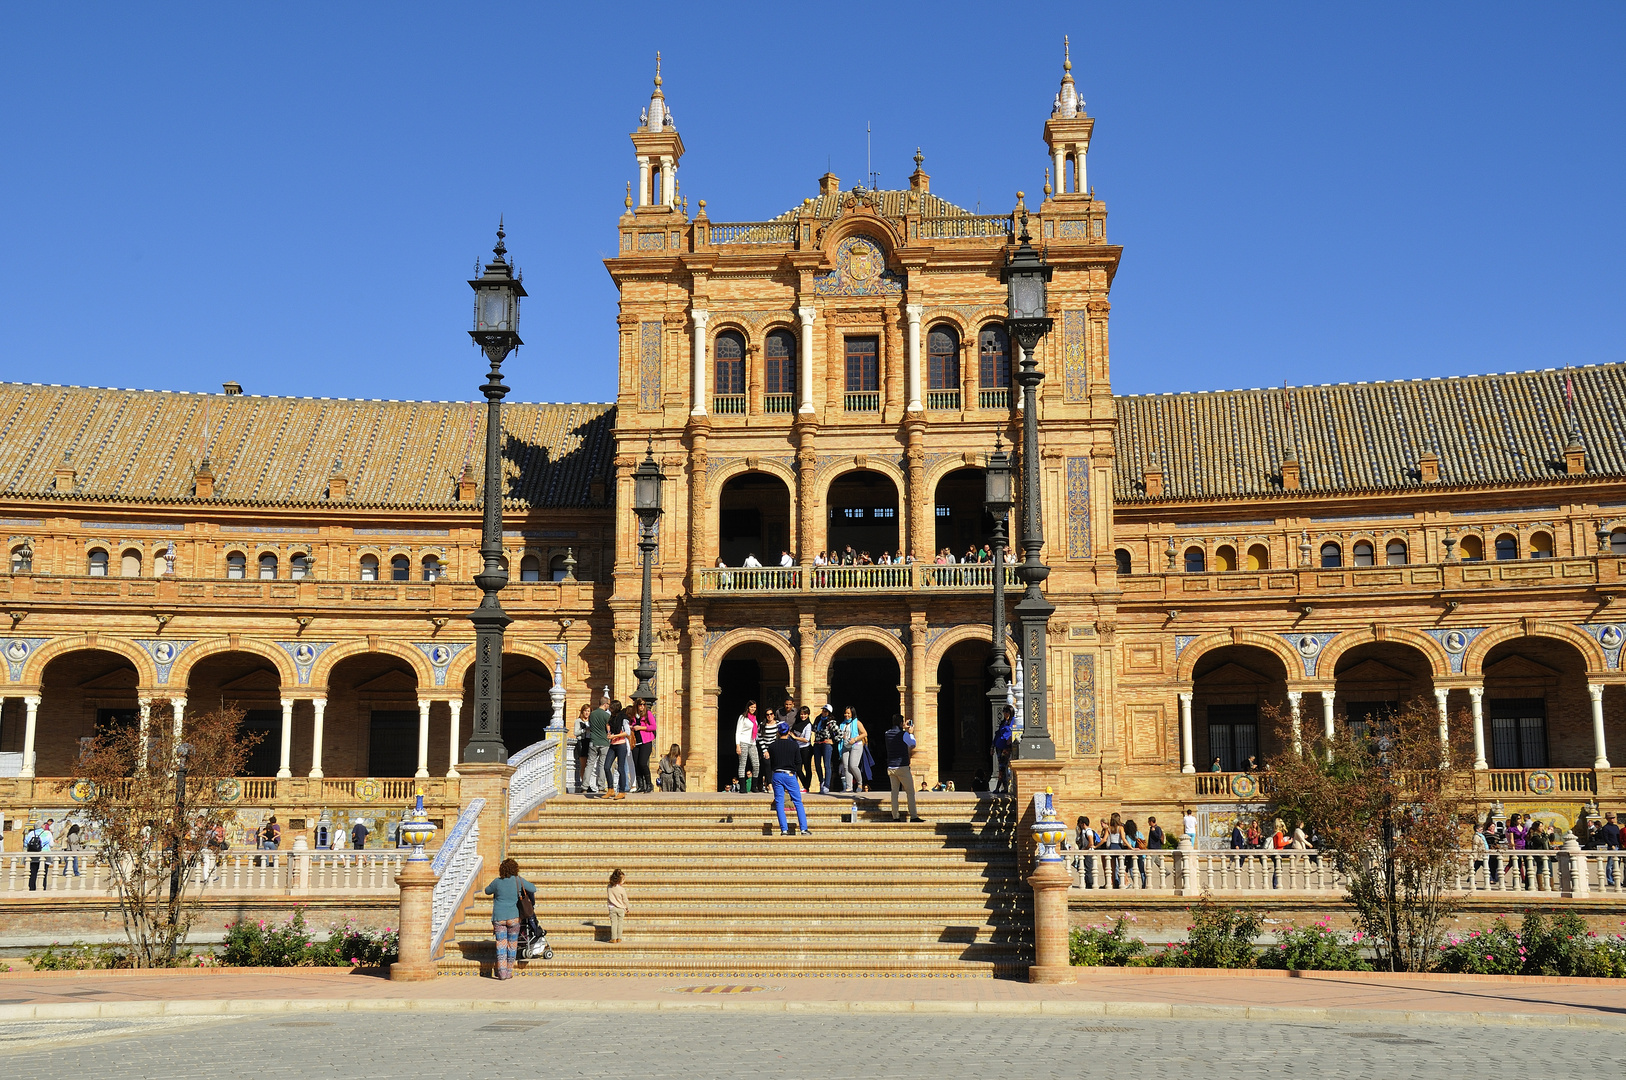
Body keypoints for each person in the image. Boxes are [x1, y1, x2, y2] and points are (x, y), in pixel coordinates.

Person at [483, 857, 535, 979]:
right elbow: (533, 888)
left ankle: (501, 973)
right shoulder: (517, 880)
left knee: (501, 944)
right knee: (512, 944)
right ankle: (509, 971)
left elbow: (486, 891)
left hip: (499, 917)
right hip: (514, 917)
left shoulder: (497, 882)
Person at [767, 723, 810, 836]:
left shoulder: (772, 746)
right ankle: (803, 829)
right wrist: (794, 771)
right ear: (788, 732)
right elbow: (799, 762)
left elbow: (771, 763)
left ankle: (784, 830)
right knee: (797, 802)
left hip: (777, 774)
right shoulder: (794, 745)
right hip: (790, 774)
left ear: (778, 732)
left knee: (779, 802)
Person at [883, 714, 922, 822]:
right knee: (910, 791)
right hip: (902, 766)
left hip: (891, 766)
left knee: (894, 792)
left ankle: (895, 816)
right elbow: (913, 744)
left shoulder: (887, 733)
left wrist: (903, 728)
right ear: (901, 723)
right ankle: (913, 816)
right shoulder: (904, 735)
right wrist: (910, 733)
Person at [584, 695, 612, 798]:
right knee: (602, 765)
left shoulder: (592, 714)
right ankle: (601, 786)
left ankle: (585, 786)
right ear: (605, 704)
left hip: (593, 741)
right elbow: (608, 728)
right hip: (604, 742)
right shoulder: (606, 716)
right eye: (608, 704)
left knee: (590, 764)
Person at [606, 701, 633, 798]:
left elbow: (627, 732)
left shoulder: (623, 718)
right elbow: (608, 724)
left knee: (621, 768)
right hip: (613, 744)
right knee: (606, 766)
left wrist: (615, 735)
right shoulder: (612, 718)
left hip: (621, 745)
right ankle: (610, 789)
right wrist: (609, 732)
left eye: (611, 708)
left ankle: (622, 791)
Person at [838, 707, 867, 795]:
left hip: (856, 745)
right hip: (845, 746)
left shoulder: (857, 723)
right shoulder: (842, 724)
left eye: (848, 713)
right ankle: (849, 787)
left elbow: (865, 733)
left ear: (852, 714)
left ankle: (860, 783)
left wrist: (855, 739)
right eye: (845, 713)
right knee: (846, 767)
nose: (846, 715)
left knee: (853, 765)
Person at [734, 700, 762, 793]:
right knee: (743, 764)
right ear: (748, 707)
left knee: (756, 764)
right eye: (751, 707)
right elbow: (738, 731)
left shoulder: (754, 718)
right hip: (743, 742)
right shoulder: (743, 717)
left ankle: (754, 786)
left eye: (754, 707)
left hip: (752, 743)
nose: (753, 709)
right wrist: (737, 745)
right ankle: (742, 787)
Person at [631, 700, 657, 794]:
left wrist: (641, 728)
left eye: (643, 704)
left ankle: (649, 784)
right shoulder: (634, 715)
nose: (642, 706)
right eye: (640, 704)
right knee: (636, 764)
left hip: (646, 741)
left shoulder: (648, 714)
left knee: (642, 763)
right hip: (636, 742)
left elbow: (653, 727)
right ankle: (640, 786)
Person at [814, 704, 838, 793]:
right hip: (817, 743)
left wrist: (833, 741)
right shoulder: (818, 719)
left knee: (826, 764)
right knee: (817, 763)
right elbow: (814, 729)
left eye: (826, 711)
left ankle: (827, 785)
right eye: (823, 710)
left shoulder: (831, 722)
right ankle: (822, 781)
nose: (823, 712)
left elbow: (839, 733)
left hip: (826, 744)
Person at [992, 706, 1016, 795]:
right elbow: (997, 734)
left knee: (1002, 766)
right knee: (1002, 766)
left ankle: (998, 787)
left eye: (1007, 712)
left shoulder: (1013, 721)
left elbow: (1015, 731)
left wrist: (1011, 737)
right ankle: (1005, 787)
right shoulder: (1003, 722)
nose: (1005, 714)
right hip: (999, 746)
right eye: (1004, 712)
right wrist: (992, 746)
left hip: (1006, 746)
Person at [25, 818, 53, 891]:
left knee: (33, 874)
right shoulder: (47, 833)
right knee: (43, 874)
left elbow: (25, 844)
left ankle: (32, 889)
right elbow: (51, 844)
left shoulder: (31, 833)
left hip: (33, 855)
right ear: (42, 826)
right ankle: (43, 889)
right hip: (45, 855)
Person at [791, 706, 814, 789]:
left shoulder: (808, 725)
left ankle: (806, 786)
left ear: (808, 715)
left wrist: (795, 738)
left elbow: (806, 739)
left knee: (807, 768)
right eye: (801, 714)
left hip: (806, 749)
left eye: (805, 714)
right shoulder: (797, 723)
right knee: (798, 768)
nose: (803, 716)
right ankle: (805, 784)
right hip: (798, 748)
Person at [606, 868, 630, 943]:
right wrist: (627, 907)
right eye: (623, 880)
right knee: (620, 923)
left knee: (614, 923)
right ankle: (619, 938)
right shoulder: (622, 889)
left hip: (612, 908)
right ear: (619, 880)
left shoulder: (609, 887)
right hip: (621, 908)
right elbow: (625, 899)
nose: (624, 881)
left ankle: (613, 938)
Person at [573, 703, 593, 792]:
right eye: (585, 711)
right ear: (582, 711)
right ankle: (584, 785)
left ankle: (587, 783)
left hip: (589, 742)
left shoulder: (591, 721)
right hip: (581, 742)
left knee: (589, 764)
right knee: (583, 765)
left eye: (588, 711)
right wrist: (584, 730)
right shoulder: (578, 721)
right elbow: (575, 733)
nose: (587, 713)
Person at [1075, 815, 1098, 889]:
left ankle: (1090, 884)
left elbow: (1091, 843)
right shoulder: (1084, 832)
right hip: (1086, 852)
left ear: (1083, 824)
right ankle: (1088, 883)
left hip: (1088, 852)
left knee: (1088, 869)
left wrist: (1084, 849)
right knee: (1084, 868)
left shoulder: (1088, 831)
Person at [1599, 812, 1621, 887]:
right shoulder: (1605, 828)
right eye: (1611, 818)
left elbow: (1618, 837)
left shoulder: (1616, 827)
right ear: (1608, 819)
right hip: (1612, 847)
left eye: (1613, 818)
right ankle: (1610, 880)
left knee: (1617, 864)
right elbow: (1606, 838)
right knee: (1610, 864)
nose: (1613, 819)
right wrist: (1611, 845)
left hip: (1618, 846)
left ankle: (1616, 879)